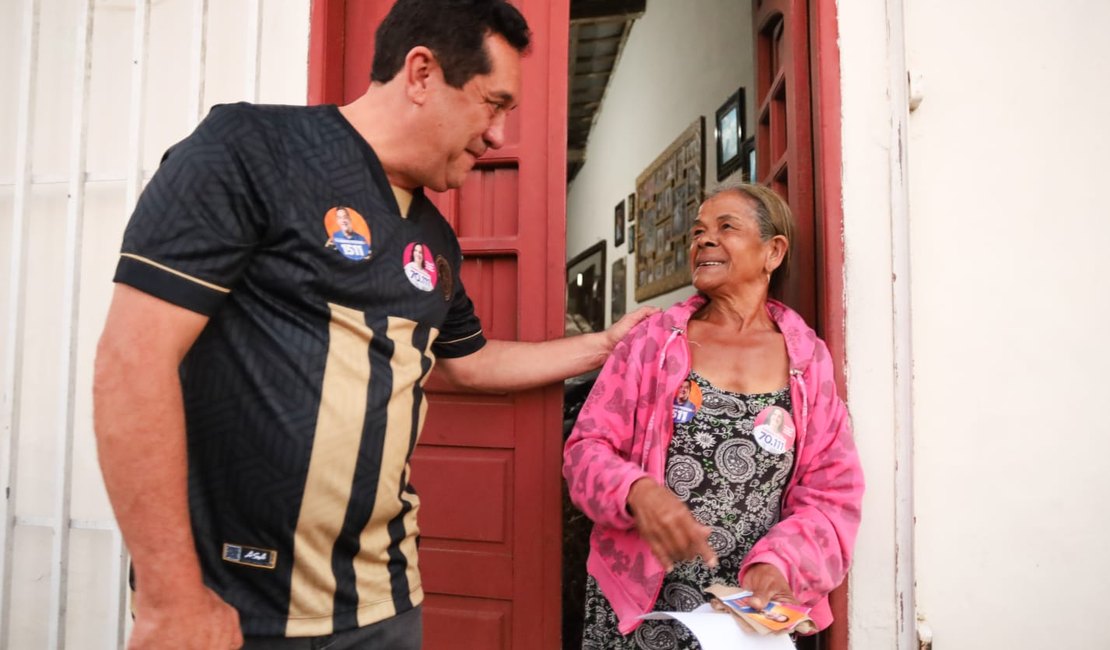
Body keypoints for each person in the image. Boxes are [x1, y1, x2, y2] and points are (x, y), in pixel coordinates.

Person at [93, 1, 653, 648]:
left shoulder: (434, 237)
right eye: (492, 103)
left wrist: (605, 344)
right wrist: (170, 597)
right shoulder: (250, 150)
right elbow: (132, 363)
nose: (498, 134)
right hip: (238, 610)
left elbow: (470, 361)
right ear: (421, 73)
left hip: (383, 605)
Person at [563, 183, 864, 649]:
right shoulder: (654, 343)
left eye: (727, 227)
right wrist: (636, 491)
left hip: (746, 612)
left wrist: (779, 563)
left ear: (773, 252)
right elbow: (586, 449)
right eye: (699, 231)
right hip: (644, 601)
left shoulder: (808, 361)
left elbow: (832, 493)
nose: (703, 239)